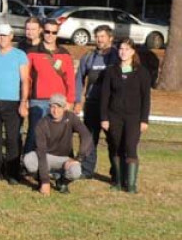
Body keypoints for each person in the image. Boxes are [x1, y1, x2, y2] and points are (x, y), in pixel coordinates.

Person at [100, 38, 151, 193]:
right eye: (121, 49)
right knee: (116, 146)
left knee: (130, 147)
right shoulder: (111, 71)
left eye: (127, 49)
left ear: (133, 52)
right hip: (114, 116)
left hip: (134, 118)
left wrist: (144, 120)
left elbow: (146, 98)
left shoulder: (142, 72)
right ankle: (118, 180)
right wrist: (104, 118)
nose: (123, 52)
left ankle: (131, 184)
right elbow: (105, 97)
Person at [0, 24, 29, 184]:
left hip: (13, 102)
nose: (2, 38)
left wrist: (23, 102)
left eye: (5, 35)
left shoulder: (20, 55)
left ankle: (12, 172)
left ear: (11, 36)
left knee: (12, 139)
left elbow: (25, 80)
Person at [23, 93, 92, 195]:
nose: (55, 111)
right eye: (53, 107)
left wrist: (78, 159)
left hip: (65, 158)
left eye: (59, 107)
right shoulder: (42, 123)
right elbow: (41, 153)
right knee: (28, 160)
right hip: (46, 156)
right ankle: (41, 180)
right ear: (49, 107)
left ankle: (62, 182)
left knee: (76, 171)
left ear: (64, 108)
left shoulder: (71, 117)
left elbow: (86, 135)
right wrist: (45, 181)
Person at [24, 19, 75, 154]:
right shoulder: (32, 52)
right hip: (38, 100)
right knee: (34, 133)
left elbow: (70, 78)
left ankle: (59, 166)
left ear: (57, 33)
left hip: (59, 101)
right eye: (47, 31)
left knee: (58, 135)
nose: (50, 35)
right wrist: (25, 99)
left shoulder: (65, 53)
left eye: (54, 32)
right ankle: (28, 164)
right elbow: (27, 79)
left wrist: (70, 100)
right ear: (42, 31)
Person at [75, 25, 119, 179]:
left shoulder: (118, 56)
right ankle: (86, 170)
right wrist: (77, 100)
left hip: (111, 106)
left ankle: (117, 173)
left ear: (110, 38)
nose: (99, 40)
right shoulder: (89, 57)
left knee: (113, 139)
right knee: (88, 138)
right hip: (92, 104)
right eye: (97, 36)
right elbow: (79, 79)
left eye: (102, 36)